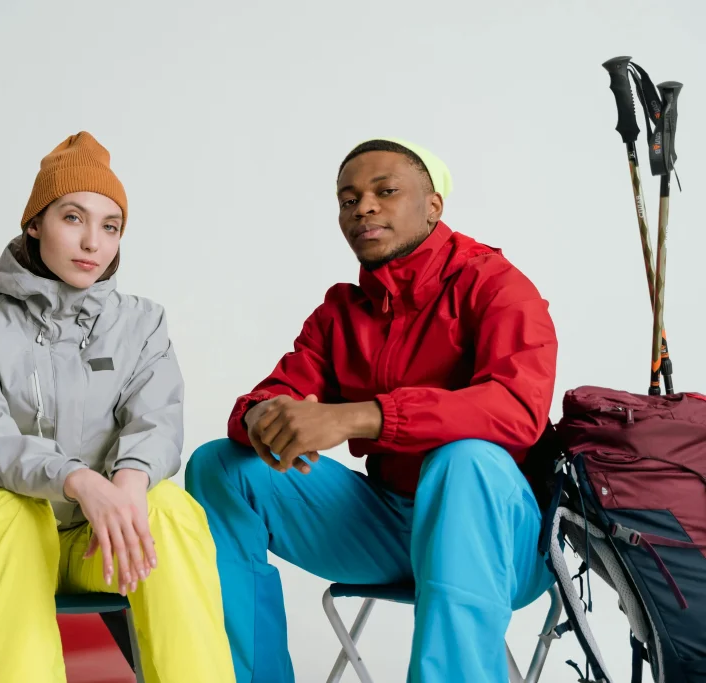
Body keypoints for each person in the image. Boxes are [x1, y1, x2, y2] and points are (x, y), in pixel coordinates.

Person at [184, 138, 559, 682]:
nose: (364, 207)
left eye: (386, 192)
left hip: (500, 540)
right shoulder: (342, 311)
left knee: (466, 460)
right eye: (348, 198)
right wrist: (264, 419)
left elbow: (516, 410)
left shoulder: (496, 285)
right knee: (221, 465)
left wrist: (356, 417)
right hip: (390, 527)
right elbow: (269, 395)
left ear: (434, 206)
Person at [0, 131, 235, 683]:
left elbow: (157, 420)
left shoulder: (143, 322)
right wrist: (77, 480)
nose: (93, 242)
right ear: (34, 224)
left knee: (169, 510)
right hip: (13, 547)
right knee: (6, 513)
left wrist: (127, 482)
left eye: (110, 226)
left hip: (106, 544)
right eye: (73, 218)